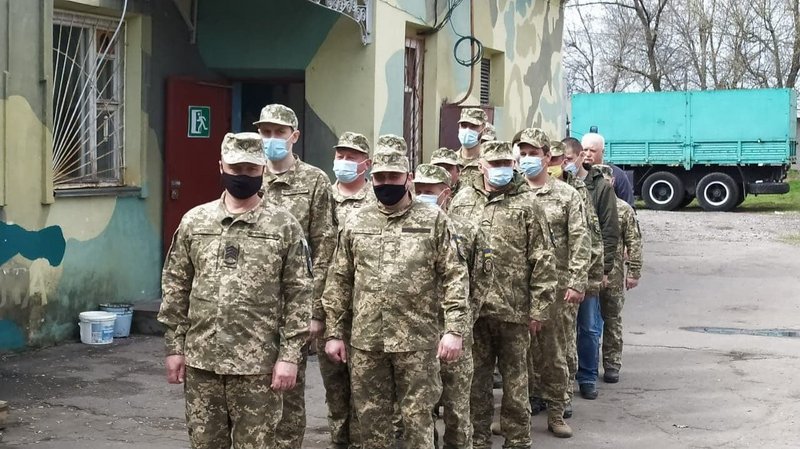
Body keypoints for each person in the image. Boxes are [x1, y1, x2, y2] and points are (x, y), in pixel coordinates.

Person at [159, 132, 312, 449]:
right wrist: (175, 348)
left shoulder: (284, 226)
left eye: (251, 170)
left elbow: (299, 295)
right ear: (221, 167)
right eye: (236, 168)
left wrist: (289, 357)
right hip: (203, 363)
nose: (243, 176)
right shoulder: (195, 221)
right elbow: (176, 285)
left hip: (258, 367)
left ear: (262, 170)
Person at [323, 144, 470, 449]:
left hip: (417, 343)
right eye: (380, 177)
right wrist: (334, 332)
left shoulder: (434, 220)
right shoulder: (356, 221)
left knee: (418, 422)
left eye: (394, 176)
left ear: (408, 178)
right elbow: (339, 279)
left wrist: (454, 330)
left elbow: (455, 276)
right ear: (371, 179)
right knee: (370, 423)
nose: (386, 183)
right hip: (367, 342)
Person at [449, 140, 557, 449]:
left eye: (506, 164)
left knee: (516, 381)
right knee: (476, 381)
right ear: (481, 166)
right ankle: (479, 439)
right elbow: (451, 255)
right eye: (494, 164)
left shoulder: (528, 204)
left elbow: (543, 258)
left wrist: (539, 308)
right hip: (474, 311)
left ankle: (518, 439)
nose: (501, 169)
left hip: (514, 310)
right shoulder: (463, 200)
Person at [255, 104, 337, 449]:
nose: (271, 139)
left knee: (288, 393)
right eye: (266, 132)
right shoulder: (251, 174)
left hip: (293, 306)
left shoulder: (313, 181)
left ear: (294, 136)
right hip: (252, 307)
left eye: (279, 132)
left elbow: (325, 247)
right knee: (252, 393)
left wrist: (316, 311)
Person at [515, 129, 590, 438]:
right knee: (519, 352)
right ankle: (524, 405)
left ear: (547, 157)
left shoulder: (567, 195)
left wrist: (577, 281)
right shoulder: (512, 193)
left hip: (557, 288)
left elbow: (580, 240)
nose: (527, 159)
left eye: (534, 153)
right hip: (518, 286)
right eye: (523, 153)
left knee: (554, 351)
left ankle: (557, 410)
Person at [414, 163, 490, 449]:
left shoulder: (467, 230)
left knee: (457, 408)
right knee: (420, 408)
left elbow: (482, 278)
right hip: (417, 333)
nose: (423, 195)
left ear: (446, 193)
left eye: (429, 190)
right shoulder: (409, 227)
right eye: (419, 190)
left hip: (455, 332)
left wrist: (463, 321)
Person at [323, 131, 375, 449]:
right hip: (329, 306)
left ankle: (361, 441)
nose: (343, 162)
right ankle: (338, 440)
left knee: (366, 386)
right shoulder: (323, 199)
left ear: (366, 164)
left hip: (366, 309)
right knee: (334, 384)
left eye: (351, 157)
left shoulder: (377, 201)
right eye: (340, 156)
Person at [550, 139, 605, 418]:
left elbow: (593, 234)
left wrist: (590, 276)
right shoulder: (525, 191)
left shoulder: (578, 192)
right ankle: (540, 395)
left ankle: (577, 383)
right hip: (540, 282)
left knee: (581, 332)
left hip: (570, 277)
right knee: (540, 344)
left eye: (559, 159)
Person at [562, 137, 619, 400]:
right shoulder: (556, 187)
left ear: (578, 158)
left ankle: (586, 376)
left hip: (589, 267)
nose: (564, 163)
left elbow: (609, 230)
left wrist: (604, 269)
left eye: (568, 158)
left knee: (588, 326)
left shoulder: (599, 187)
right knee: (561, 331)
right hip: (559, 270)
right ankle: (561, 380)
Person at [596, 164, 644, 384]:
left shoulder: (623, 209)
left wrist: (634, 271)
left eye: (606, 182)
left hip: (614, 274)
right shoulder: (588, 205)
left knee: (612, 320)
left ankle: (612, 363)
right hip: (590, 273)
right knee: (586, 324)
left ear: (613, 182)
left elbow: (634, 242)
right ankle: (585, 364)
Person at [581, 132, 635, 206]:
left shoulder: (617, 174)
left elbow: (629, 206)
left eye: (593, 151)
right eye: (585, 150)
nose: (588, 154)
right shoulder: (576, 173)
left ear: (603, 152)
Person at [456, 108, 489, 189]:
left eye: (473, 126)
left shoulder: (489, 163)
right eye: (464, 125)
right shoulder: (450, 161)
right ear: (459, 128)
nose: (467, 130)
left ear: (484, 130)